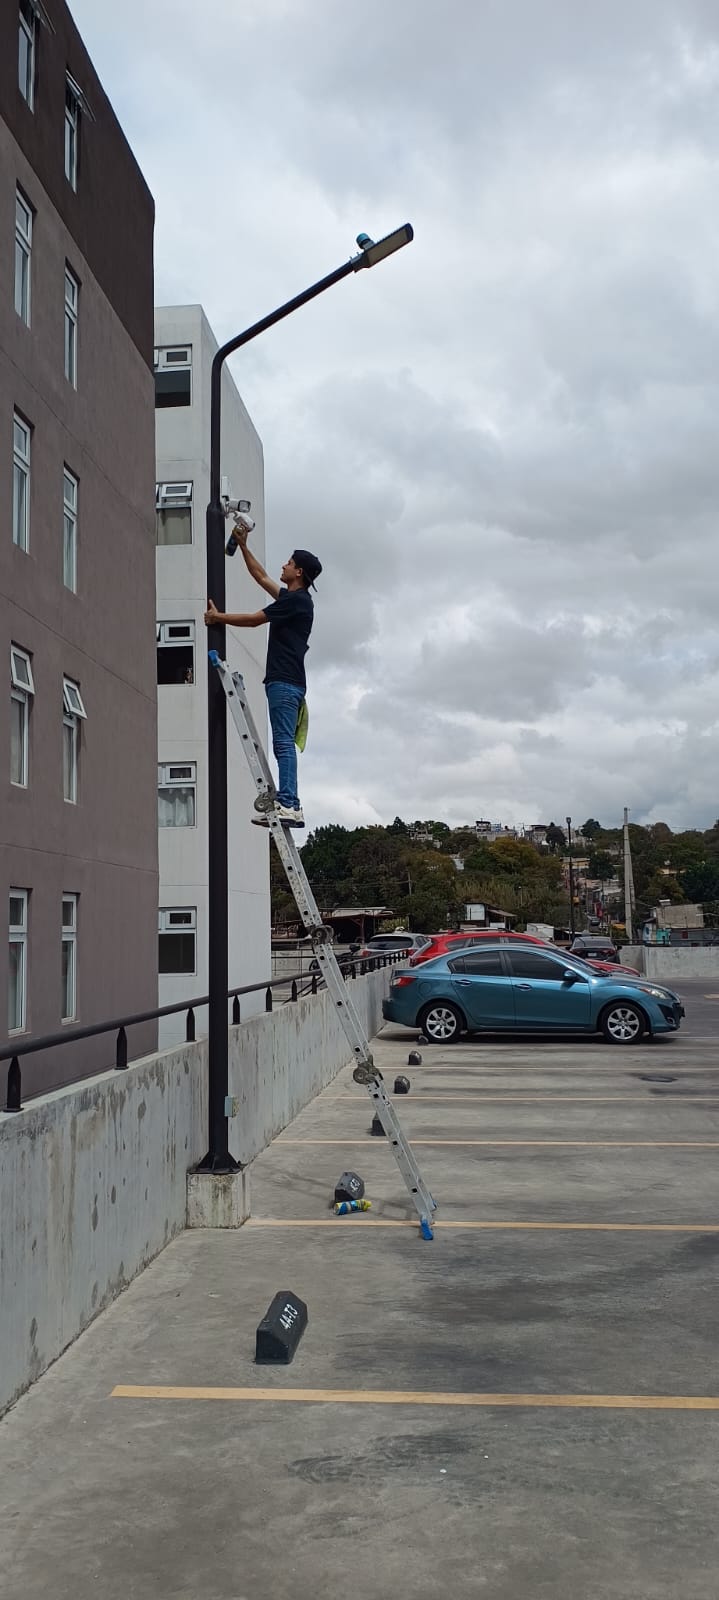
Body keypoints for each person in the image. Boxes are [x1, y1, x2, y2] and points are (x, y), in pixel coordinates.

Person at [204, 523, 322, 829]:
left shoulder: (296, 602)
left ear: (298, 573)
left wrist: (218, 618)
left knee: (282, 744)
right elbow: (260, 577)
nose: (283, 565)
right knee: (282, 743)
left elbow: (256, 619)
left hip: (285, 682)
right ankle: (289, 802)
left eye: (289, 562)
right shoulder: (294, 599)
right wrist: (243, 545)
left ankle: (290, 804)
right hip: (287, 682)